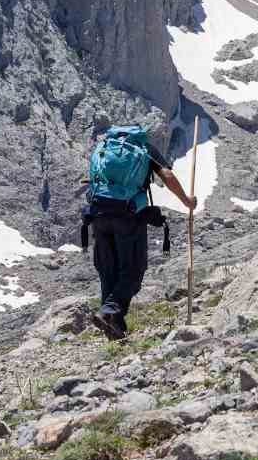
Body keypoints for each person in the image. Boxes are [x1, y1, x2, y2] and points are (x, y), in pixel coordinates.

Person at [83, 124, 195, 340]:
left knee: (109, 271)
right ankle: (109, 312)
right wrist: (187, 201)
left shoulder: (104, 148)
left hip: (98, 215)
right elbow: (167, 175)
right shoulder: (144, 149)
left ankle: (115, 327)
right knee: (133, 270)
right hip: (127, 216)